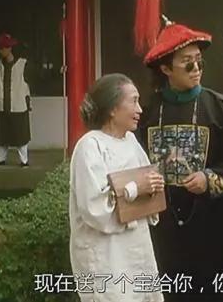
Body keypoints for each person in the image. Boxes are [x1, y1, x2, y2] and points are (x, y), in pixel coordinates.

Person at [138, 20, 223, 301]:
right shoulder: (148, 112)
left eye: (199, 61)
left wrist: (210, 178)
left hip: (211, 223)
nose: (197, 69)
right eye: (187, 63)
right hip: (163, 224)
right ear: (166, 69)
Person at [69, 73, 164, 302]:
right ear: (112, 108)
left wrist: (154, 187)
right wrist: (135, 188)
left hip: (137, 246)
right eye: (133, 101)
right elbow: (95, 209)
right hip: (106, 252)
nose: (139, 109)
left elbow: (149, 188)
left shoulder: (131, 141)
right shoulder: (90, 146)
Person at [0, 33, 33, 167]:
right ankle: (1, 158)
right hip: (2, 104)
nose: (1, 50)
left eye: (3, 47)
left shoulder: (23, 64)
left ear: (9, 48)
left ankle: (24, 160)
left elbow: (34, 79)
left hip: (18, 104)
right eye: (0, 48)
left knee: (20, 133)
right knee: (2, 134)